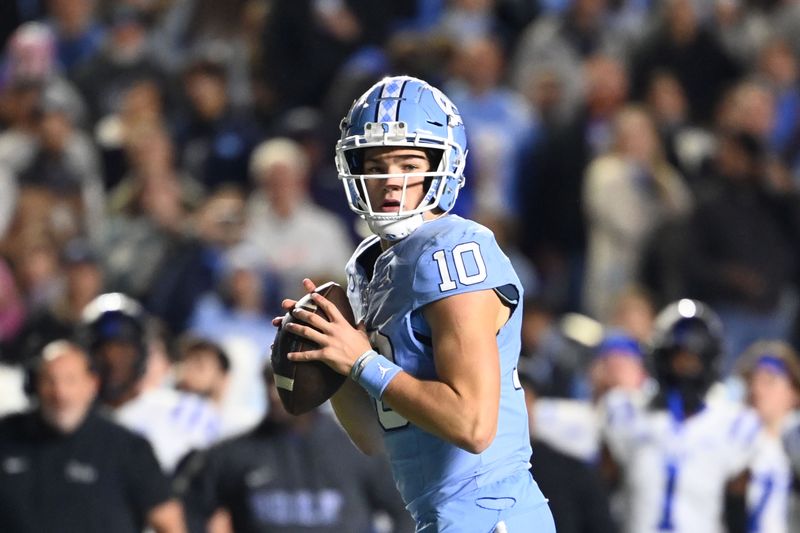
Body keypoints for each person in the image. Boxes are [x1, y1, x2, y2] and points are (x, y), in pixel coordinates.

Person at [275, 76, 555, 532]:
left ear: (442, 167)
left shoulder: (452, 249)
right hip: (440, 517)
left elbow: (472, 425)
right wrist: (332, 354)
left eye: (408, 162)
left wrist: (362, 360)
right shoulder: (370, 265)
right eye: (377, 163)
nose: (390, 180)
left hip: (492, 515)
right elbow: (379, 439)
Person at [177, 364, 414, 533]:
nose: (274, 393)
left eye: (286, 381)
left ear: (314, 384)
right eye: (271, 381)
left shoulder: (357, 448)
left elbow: (406, 511)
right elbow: (186, 509)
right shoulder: (234, 453)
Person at [601, 299, 762, 533]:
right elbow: (599, 495)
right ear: (661, 358)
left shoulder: (735, 423)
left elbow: (739, 512)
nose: (685, 368)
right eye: (678, 358)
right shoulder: (625, 411)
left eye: (693, 360)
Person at [0, 340, 185, 532]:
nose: (60, 393)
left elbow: (169, 522)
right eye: (50, 380)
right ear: (35, 385)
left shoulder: (127, 447)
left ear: (92, 384)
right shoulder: (5, 436)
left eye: (70, 380)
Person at [78, 292, 221, 473]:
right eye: (102, 351)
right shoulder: (68, 416)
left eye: (124, 352)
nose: (112, 361)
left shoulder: (186, 412)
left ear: (142, 355)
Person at [735, 340, 800, 533]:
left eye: (769, 381)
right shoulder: (737, 440)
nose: (758, 390)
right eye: (753, 381)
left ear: (794, 392)